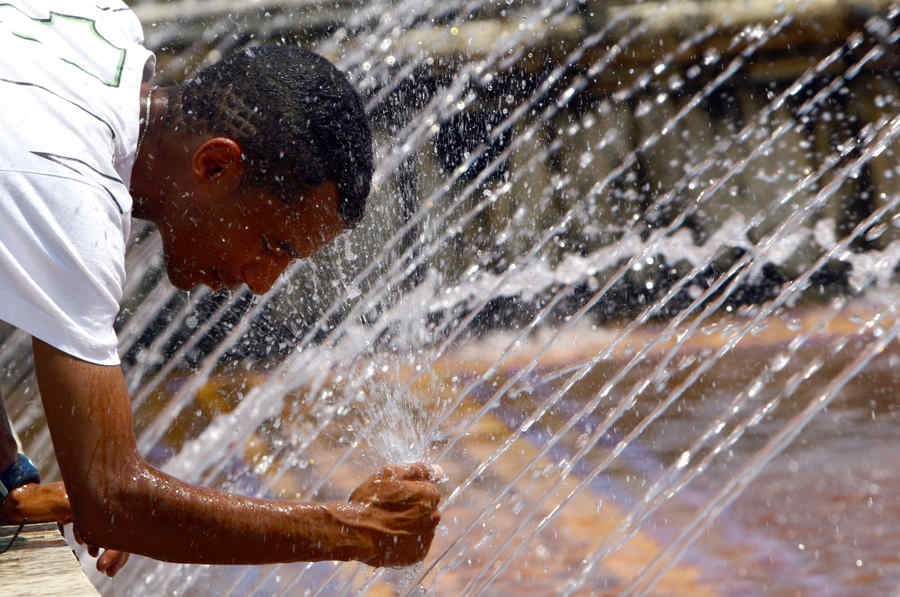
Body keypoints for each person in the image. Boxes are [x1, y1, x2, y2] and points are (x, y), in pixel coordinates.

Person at [0, 0, 440, 576]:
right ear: (214, 166)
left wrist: (12, 478)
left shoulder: (99, 29)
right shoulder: (70, 191)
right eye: (273, 247)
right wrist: (357, 530)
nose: (260, 283)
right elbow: (111, 501)